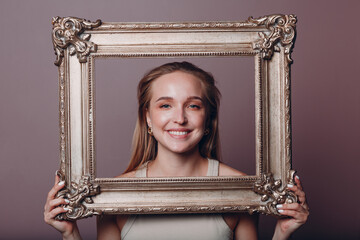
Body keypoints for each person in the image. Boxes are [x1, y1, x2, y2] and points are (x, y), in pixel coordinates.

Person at [44, 62, 309, 240]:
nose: (179, 118)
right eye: (165, 105)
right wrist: (70, 233)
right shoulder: (114, 196)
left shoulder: (243, 188)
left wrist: (282, 233)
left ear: (208, 118)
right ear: (147, 117)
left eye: (193, 105)